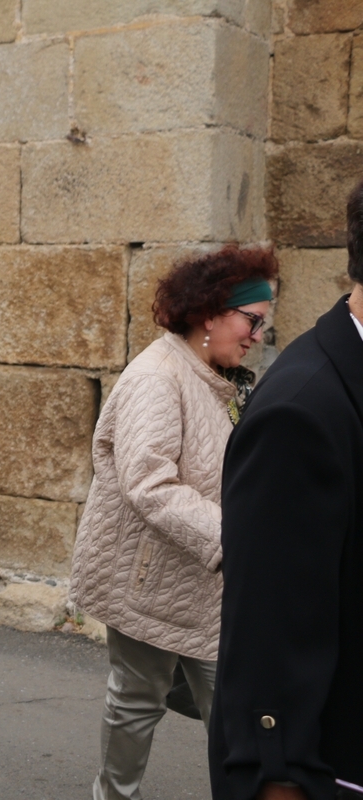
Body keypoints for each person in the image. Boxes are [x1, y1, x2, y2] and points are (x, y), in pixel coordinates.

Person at [69, 245, 276, 800]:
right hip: (149, 578)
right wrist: (237, 537)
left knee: (226, 703)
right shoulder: (158, 378)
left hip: (201, 580)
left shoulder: (215, 374)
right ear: (210, 313)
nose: (257, 336)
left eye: (263, 323)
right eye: (252, 320)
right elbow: (149, 484)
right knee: (140, 700)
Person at [209, 182, 363, 800]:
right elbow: (270, 630)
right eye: (249, 319)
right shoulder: (301, 410)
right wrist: (277, 774)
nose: (254, 332)